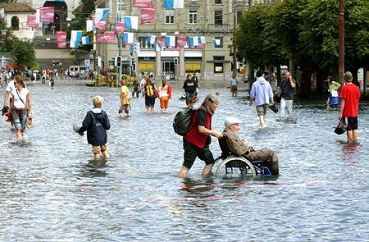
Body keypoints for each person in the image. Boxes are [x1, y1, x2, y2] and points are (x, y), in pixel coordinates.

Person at [178, 93, 223, 178]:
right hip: (192, 142)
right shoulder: (202, 111)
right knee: (187, 165)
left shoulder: (208, 112)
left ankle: (205, 181)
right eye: (215, 104)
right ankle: (183, 185)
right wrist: (214, 133)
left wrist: (218, 133)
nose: (216, 106)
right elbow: (201, 129)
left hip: (201, 143)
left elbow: (208, 127)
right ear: (209, 102)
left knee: (210, 161)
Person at [74, 96, 111, 160]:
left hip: (94, 137)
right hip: (103, 137)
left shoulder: (90, 113)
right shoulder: (104, 113)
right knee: (104, 151)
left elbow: (85, 125)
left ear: (93, 103)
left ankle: (96, 165)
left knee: (96, 153)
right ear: (101, 104)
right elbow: (108, 126)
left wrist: (80, 130)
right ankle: (107, 162)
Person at [339, 71, 361, 143]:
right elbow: (357, 99)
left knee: (349, 128)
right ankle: (355, 142)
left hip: (348, 112)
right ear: (352, 78)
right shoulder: (356, 88)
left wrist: (341, 113)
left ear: (344, 79)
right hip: (355, 111)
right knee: (355, 127)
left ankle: (350, 142)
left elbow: (343, 102)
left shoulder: (344, 88)